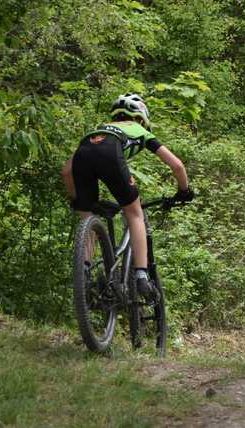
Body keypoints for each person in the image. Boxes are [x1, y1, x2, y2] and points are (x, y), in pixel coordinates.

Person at [61, 93, 194, 301]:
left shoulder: (97, 130)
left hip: (83, 156)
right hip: (111, 154)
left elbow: (67, 171)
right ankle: (141, 275)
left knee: (88, 218)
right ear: (141, 118)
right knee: (134, 214)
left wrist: (76, 200)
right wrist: (184, 191)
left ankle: (84, 274)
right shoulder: (139, 130)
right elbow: (177, 165)